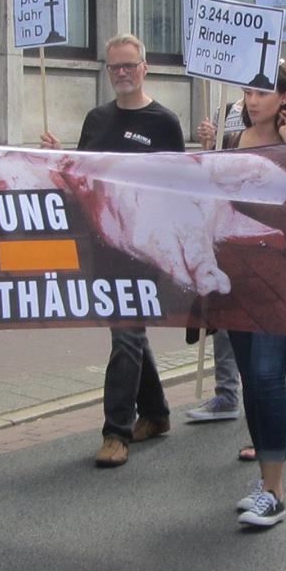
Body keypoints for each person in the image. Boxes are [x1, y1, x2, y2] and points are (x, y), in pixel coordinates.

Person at [43, 34, 186, 467]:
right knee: (129, 333)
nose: (122, 73)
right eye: (115, 67)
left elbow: (179, 189)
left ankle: (116, 431)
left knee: (126, 334)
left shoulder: (164, 123)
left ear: (145, 68)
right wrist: (60, 163)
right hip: (103, 247)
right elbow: (83, 179)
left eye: (129, 65)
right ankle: (156, 413)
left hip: (143, 250)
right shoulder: (96, 119)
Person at [192, 65, 286, 529]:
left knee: (268, 376)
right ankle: (265, 480)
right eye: (247, 92)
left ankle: (276, 491)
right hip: (238, 279)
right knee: (252, 378)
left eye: (262, 92)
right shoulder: (231, 143)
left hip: (284, 280)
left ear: (285, 97)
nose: (251, 100)